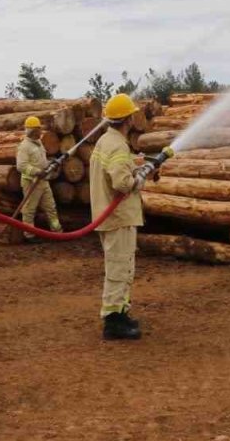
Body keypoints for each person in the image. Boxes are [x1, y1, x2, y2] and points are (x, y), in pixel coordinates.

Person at [88, 94, 146, 341]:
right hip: (118, 217)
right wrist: (139, 178)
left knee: (123, 267)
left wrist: (136, 165)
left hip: (110, 216)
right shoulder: (118, 145)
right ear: (128, 119)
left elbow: (115, 169)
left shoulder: (106, 141)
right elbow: (122, 182)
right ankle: (113, 322)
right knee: (119, 269)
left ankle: (121, 312)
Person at [15, 116, 61, 233]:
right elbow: (21, 165)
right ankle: (29, 234)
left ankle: (57, 231)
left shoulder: (38, 143)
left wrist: (51, 163)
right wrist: (37, 172)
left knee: (51, 207)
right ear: (31, 131)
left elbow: (41, 161)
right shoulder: (24, 146)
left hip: (43, 181)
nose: (40, 132)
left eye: (39, 129)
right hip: (31, 182)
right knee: (29, 210)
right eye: (37, 130)